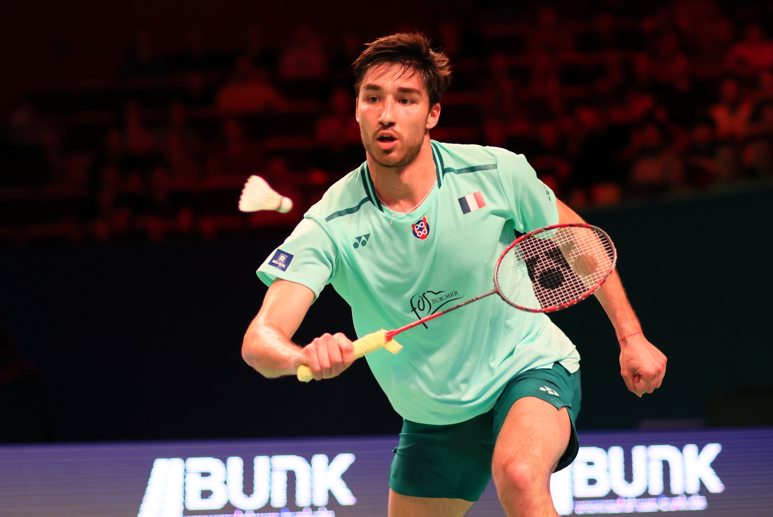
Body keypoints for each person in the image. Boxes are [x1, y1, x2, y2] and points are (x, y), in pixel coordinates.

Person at [242, 33, 667, 517]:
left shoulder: (495, 172)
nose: (387, 113)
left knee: (521, 476)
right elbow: (260, 340)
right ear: (355, 110)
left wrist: (631, 336)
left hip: (525, 368)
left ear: (432, 114)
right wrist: (301, 354)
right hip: (433, 416)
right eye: (373, 98)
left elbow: (578, 241)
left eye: (406, 100)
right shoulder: (330, 224)